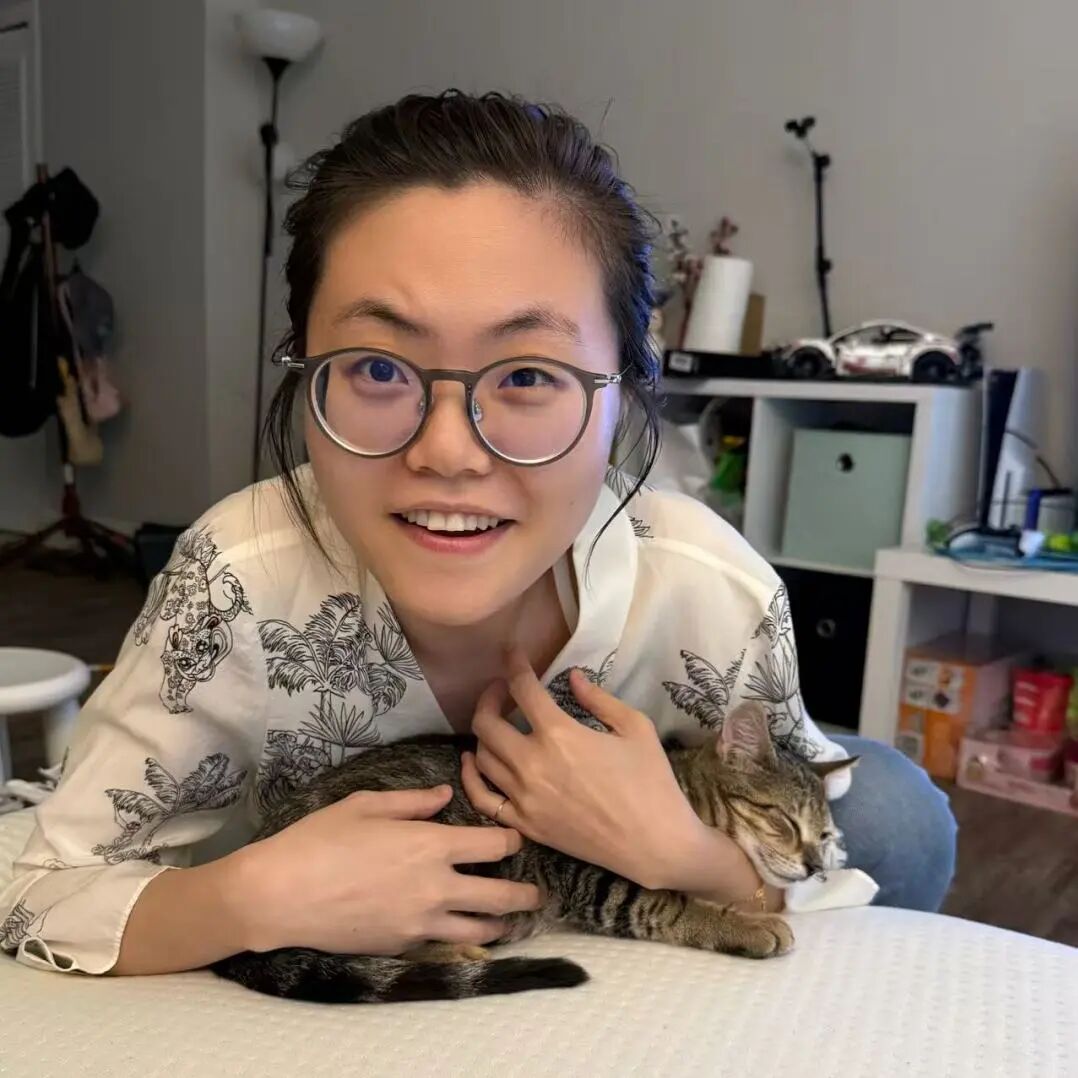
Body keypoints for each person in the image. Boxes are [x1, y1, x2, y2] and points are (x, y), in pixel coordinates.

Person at [0, 91, 956, 976]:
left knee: (895, 816)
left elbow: (794, 874)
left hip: (656, 869)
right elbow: (34, 889)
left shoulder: (712, 591)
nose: (448, 452)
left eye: (529, 375)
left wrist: (686, 856)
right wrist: (250, 897)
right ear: (304, 366)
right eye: (378, 368)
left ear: (628, 393)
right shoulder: (234, 581)